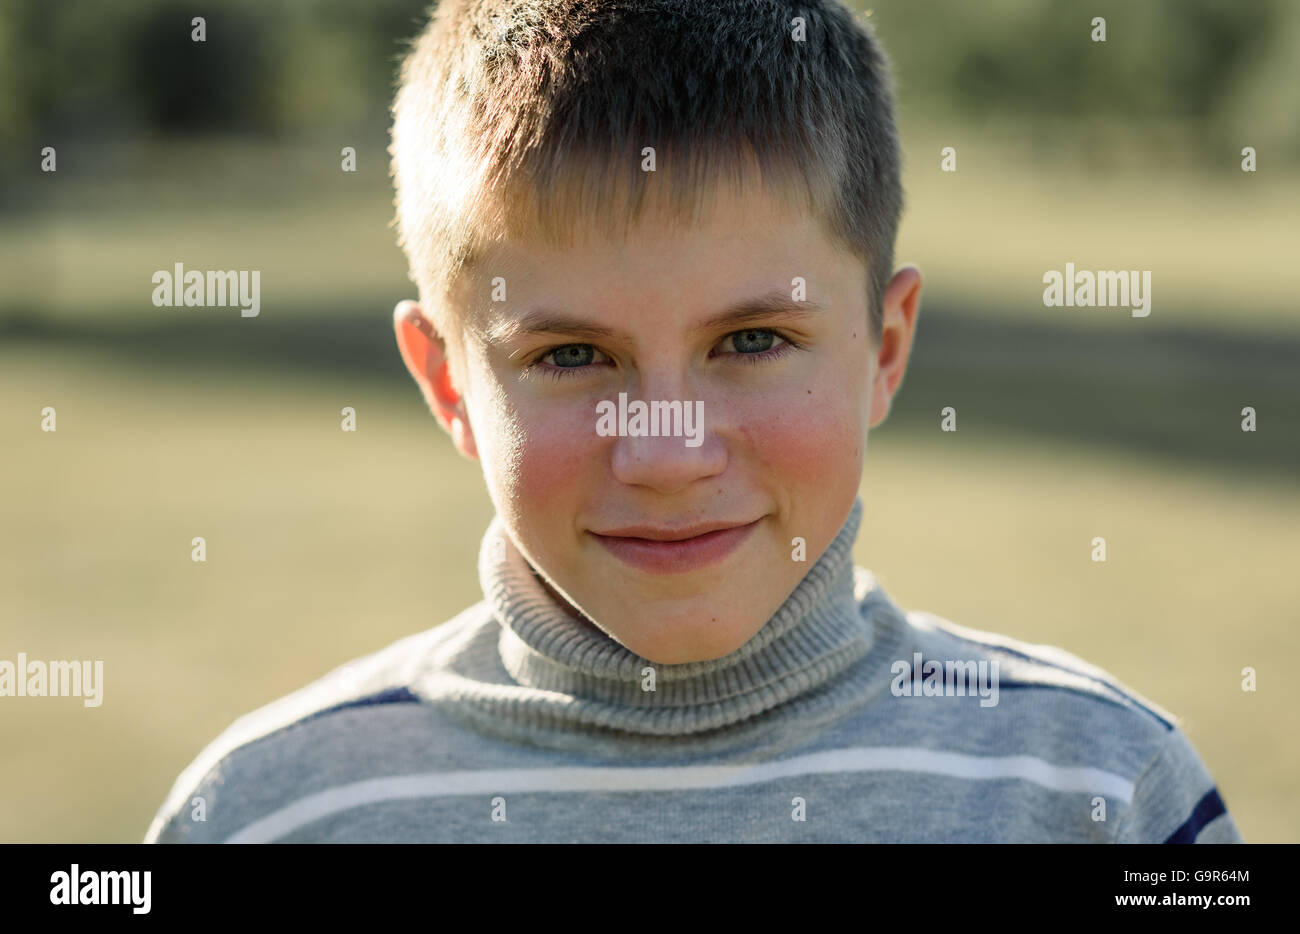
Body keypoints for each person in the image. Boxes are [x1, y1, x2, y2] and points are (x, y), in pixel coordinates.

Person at [144, 0, 1241, 843]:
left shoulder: (1102, 789)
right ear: (446, 385)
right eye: (570, 355)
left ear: (885, 350)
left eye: (752, 340)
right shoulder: (268, 815)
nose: (668, 453)